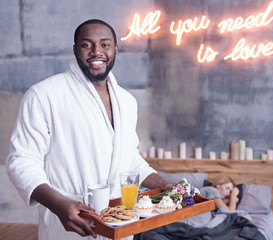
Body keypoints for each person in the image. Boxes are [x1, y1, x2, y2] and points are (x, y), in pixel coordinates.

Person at [5, 19, 174, 240]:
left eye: (104, 45)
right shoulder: (44, 95)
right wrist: (58, 205)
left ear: (115, 49)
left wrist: (162, 183)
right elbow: (22, 160)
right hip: (69, 223)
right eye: (87, 45)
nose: (97, 52)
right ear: (75, 49)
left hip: (120, 221)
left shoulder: (127, 101)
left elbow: (128, 158)